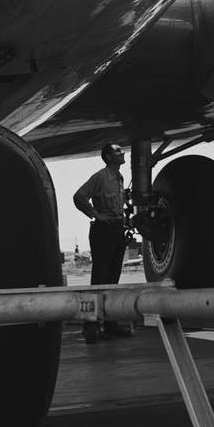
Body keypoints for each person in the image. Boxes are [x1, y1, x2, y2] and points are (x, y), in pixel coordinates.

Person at [73, 142, 130, 343]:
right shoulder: (100, 177)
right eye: (118, 151)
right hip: (104, 230)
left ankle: (110, 325)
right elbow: (79, 196)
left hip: (117, 228)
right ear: (108, 157)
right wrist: (95, 215)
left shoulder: (119, 177)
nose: (122, 153)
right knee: (99, 278)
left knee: (113, 279)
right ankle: (90, 325)